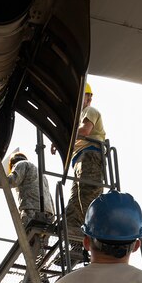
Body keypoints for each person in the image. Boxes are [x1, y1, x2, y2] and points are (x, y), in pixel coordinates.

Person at [53, 81, 106, 260]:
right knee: (74, 208)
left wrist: (64, 137)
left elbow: (85, 130)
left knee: (87, 199)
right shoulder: (78, 117)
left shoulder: (89, 112)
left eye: (81, 96)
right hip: (81, 162)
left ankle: (93, 241)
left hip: (91, 158)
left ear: (89, 97)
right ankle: (76, 246)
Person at [6, 152, 54, 229]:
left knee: (27, 238)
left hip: (32, 209)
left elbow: (12, 180)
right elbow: (50, 197)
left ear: (12, 164)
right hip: (48, 214)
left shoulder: (21, 164)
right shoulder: (42, 175)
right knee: (41, 238)